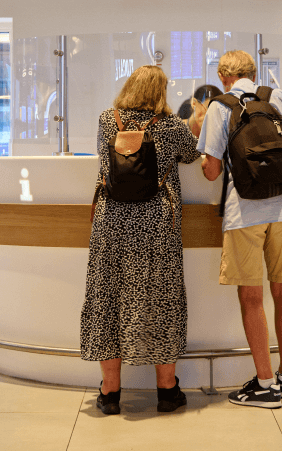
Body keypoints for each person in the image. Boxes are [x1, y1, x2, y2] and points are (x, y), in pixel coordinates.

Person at [81, 65, 201, 415]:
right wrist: (197, 118)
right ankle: (166, 391)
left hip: (111, 222)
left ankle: (110, 393)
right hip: (157, 224)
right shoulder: (171, 126)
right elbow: (194, 155)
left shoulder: (107, 119)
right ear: (161, 92)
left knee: (107, 298)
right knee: (160, 298)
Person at [197, 50, 282, 409]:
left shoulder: (219, 106)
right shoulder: (278, 96)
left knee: (251, 297)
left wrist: (204, 154)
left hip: (245, 211)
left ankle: (263, 385)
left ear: (223, 75)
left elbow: (212, 171)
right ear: (252, 72)